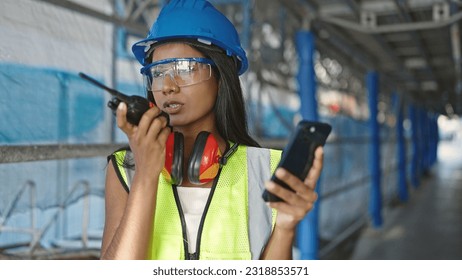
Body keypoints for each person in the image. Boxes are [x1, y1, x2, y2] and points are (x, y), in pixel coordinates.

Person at [100, 0, 324, 260]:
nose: (168, 86)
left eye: (185, 68)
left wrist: (285, 226)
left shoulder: (265, 170)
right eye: (158, 72)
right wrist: (146, 173)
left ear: (221, 76)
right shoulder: (126, 168)